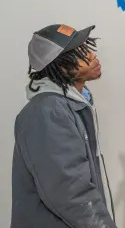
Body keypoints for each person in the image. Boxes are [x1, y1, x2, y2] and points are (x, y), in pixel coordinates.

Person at [11, 24, 117, 227]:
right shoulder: (48, 112)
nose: (92, 55)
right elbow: (71, 192)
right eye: (80, 53)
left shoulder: (70, 105)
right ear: (60, 66)